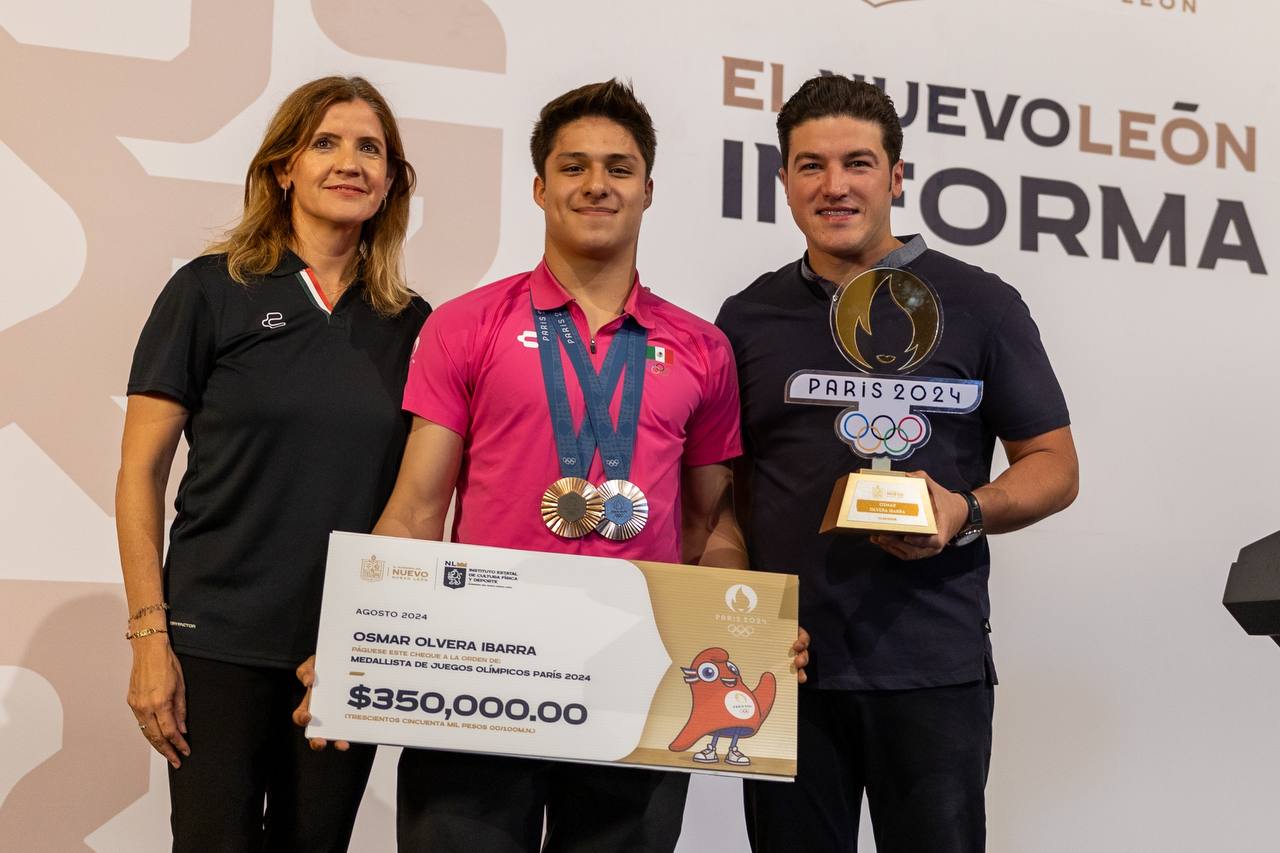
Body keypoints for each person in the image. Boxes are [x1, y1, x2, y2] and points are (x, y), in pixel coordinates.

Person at [295, 78, 808, 853]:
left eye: (619, 168)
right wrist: (354, 637)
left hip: (635, 689)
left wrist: (745, 632)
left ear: (648, 190)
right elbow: (417, 510)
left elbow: (713, 526)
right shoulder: (466, 325)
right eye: (574, 167)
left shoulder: (703, 348)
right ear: (540, 187)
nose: (596, 184)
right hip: (477, 682)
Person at [716, 75, 1080, 852]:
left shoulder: (982, 303)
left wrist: (965, 510)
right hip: (788, 668)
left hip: (933, 667)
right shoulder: (746, 318)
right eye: (811, 165)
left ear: (896, 176)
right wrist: (738, 620)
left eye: (858, 162)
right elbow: (724, 493)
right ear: (783, 180)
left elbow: (1053, 463)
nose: (835, 185)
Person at [116, 75, 430, 851]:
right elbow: (139, 474)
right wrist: (150, 636)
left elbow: (417, 503)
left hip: (343, 653)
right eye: (325, 142)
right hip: (213, 643)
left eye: (370, 148)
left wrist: (368, 640)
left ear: (391, 180)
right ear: (284, 167)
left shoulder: (413, 322)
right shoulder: (208, 290)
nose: (349, 162)